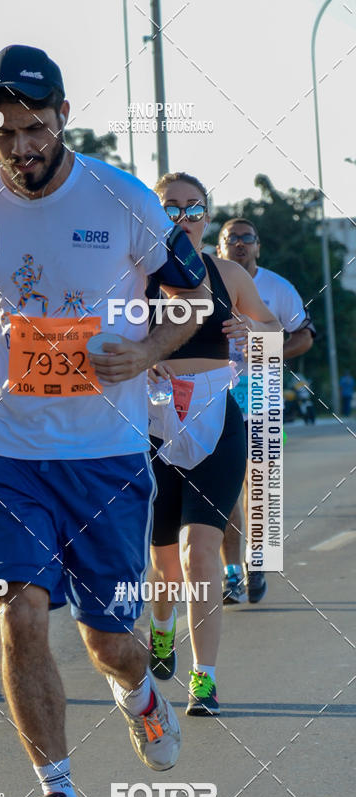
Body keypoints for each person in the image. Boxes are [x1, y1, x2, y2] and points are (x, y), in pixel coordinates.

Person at [0, 45, 209, 797]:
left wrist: (149, 350)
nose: (20, 147)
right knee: (18, 613)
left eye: (34, 129)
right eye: (4, 132)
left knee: (107, 641)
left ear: (62, 121)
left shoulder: (122, 200)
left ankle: (139, 691)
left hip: (107, 456)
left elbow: (195, 299)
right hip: (10, 452)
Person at [146, 175, 282, 717]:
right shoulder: (136, 276)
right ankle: (161, 630)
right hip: (153, 421)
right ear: (155, 216)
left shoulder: (225, 273)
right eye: (171, 207)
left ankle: (204, 680)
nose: (184, 216)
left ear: (206, 217)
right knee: (163, 564)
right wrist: (137, 354)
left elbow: (273, 331)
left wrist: (253, 333)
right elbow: (98, 337)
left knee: (198, 551)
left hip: (216, 417)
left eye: (193, 207)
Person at [217, 218, 315, 604]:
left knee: (258, 486)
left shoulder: (278, 287)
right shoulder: (206, 280)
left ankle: (256, 561)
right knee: (224, 491)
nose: (239, 244)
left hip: (262, 394)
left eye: (247, 238)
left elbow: (304, 336)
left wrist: (268, 352)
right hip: (217, 394)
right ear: (220, 246)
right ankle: (230, 573)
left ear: (258, 246)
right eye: (231, 238)